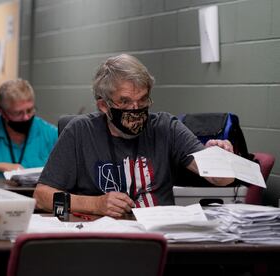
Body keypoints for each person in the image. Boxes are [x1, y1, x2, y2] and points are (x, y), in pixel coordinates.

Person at [33, 54, 234, 218]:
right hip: (103, 241)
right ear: (103, 105)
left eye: (142, 100)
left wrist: (222, 158)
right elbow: (41, 197)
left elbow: (222, 180)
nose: (135, 109)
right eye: (125, 102)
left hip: (161, 236)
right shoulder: (80, 132)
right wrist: (95, 204)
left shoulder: (165, 127)